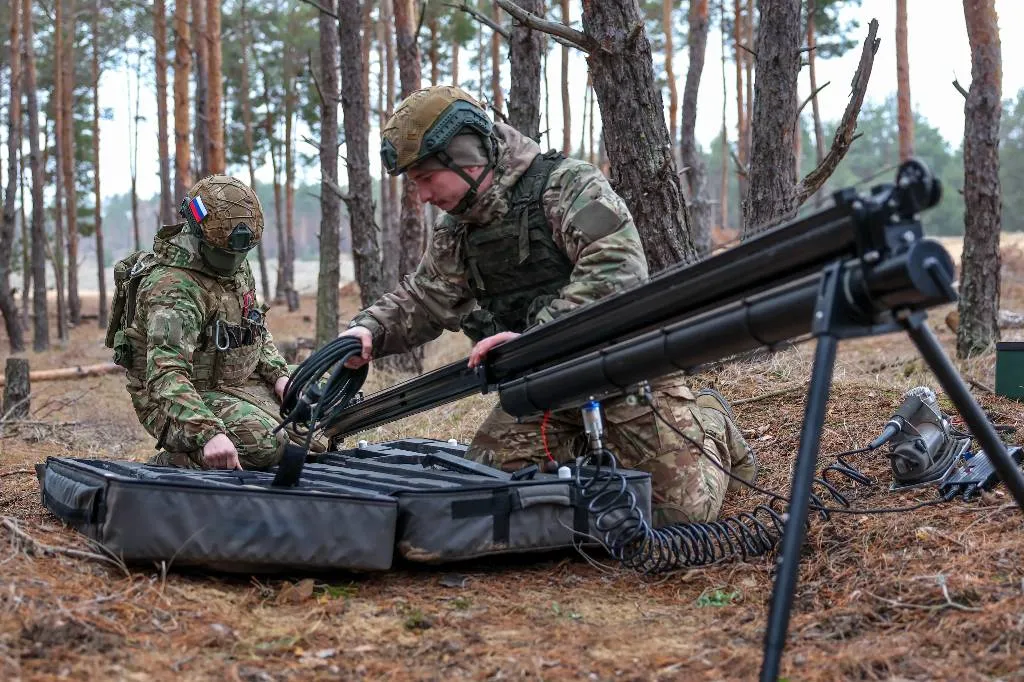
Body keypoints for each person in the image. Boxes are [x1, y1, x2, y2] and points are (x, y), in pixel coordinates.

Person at [339, 85, 756, 524]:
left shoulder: (568, 184)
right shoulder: (459, 229)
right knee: (487, 498)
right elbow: (427, 297)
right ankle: (583, 450)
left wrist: (536, 336)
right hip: (540, 390)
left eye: (424, 178)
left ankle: (709, 421)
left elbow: (617, 269)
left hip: (621, 373)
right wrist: (369, 329)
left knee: (679, 515)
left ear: (464, 156)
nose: (421, 195)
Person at [108, 175, 303, 471]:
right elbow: (165, 375)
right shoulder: (174, 286)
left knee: (323, 392)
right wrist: (209, 434)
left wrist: (281, 378)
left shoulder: (235, 267)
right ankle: (176, 460)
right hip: (176, 401)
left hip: (235, 384)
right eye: (226, 254)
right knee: (264, 443)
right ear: (199, 233)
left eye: (240, 254)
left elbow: (253, 332)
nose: (234, 261)